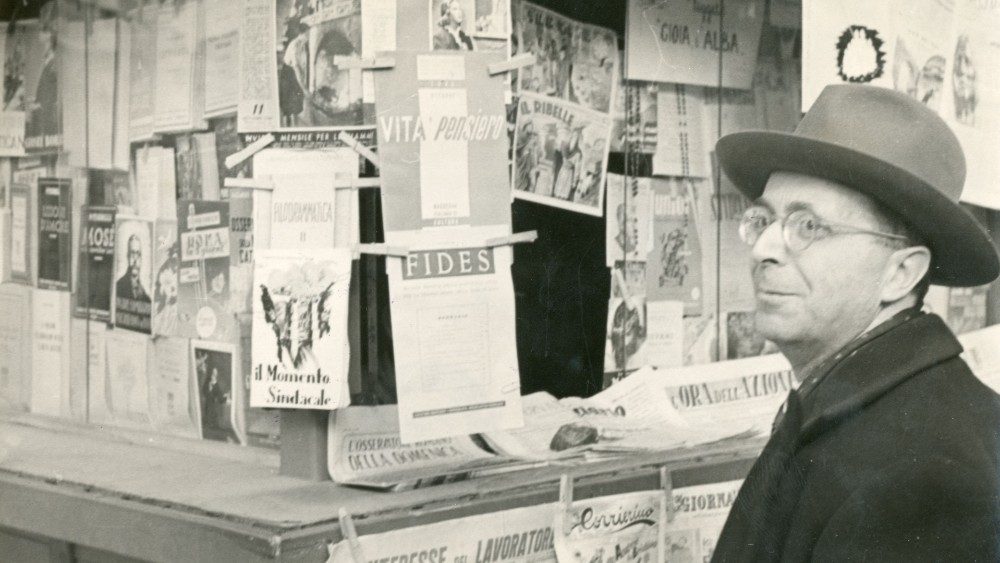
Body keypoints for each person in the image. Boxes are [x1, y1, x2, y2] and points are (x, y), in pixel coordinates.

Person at [710, 84, 1000, 561]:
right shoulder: (845, 400)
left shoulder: (925, 475)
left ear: (901, 273)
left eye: (809, 226)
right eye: (762, 220)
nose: (763, 249)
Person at [116, 234, 150, 304]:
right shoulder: (118, 288)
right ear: (127, 256)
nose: (135, 259)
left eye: (138, 254)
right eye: (132, 253)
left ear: (141, 258)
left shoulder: (146, 297)